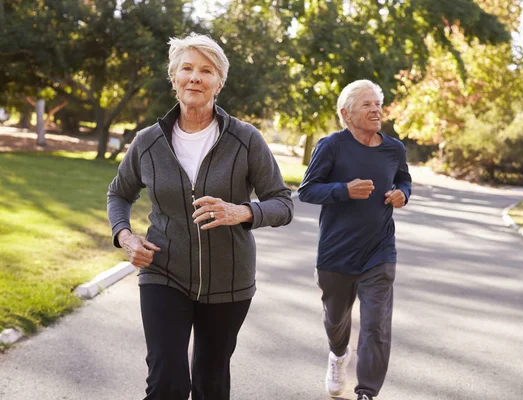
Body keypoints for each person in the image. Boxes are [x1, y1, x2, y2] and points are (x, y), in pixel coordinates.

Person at [107, 33, 293, 400]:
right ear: (174, 77)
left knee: (210, 383)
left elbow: (282, 202)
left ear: (219, 82)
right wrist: (125, 237)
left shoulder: (245, 139)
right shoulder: (147, 141)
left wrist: (242, 211)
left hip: (229, 281)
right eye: (187, 68)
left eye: (206, 70)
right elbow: (119, 192)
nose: (195, 77)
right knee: (166, 382)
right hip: (164, 270)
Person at [298, 79, 411, 400]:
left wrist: (403, 193)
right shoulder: (331, 146)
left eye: (378, 103)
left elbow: (403, 178)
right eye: (367, 104)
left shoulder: (394, 149)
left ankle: (366, 392)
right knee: (336, 321)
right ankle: (337, 355)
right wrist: (343, 190)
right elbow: (306, 190)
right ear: (347, 114)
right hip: (336, 252)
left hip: (379, 250)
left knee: (376, 324)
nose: (376, 109)